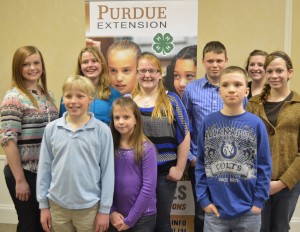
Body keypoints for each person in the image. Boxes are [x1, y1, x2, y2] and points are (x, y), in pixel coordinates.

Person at [196, 66, 272, 232]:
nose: (231, 89)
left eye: (237, 84)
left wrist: (258, 202)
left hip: (249, 212)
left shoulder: (256, 124)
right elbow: (201, 163)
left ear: (246, 91)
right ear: (219, 91)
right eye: (225, 85)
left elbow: (264, 166)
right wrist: (203, 200)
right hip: (215, 211)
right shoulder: (208, 122)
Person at [37, 75, 114, 232]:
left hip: (90, 208)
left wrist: (104, 210)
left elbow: (107, 172)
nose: (73, 101)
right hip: (57, 206)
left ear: (90, 98)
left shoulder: (102, 131)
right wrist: (43, 206)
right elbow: (44, 169)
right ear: (63, 98)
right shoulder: (51, 129)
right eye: (68, 96)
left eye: (80, 96)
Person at [0, 46, 58, 232]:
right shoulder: (13, 97)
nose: (32, 68)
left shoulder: (47, 95)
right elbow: (8, 140)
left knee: (44, 224)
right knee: (29, 224)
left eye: (36, 63)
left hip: (46, 172)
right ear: (18, 68)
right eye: (26, 64)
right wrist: (20, 180)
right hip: (25, 172)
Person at [132, 52, 190, 232]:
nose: (147, 75)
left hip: (164, 174)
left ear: (159, 74)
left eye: (152, 70)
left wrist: (180, 168)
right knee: (138, 222)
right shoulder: (128, 102)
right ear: (136, 73)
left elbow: (185, 135)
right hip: (136, 174)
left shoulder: (172, 100)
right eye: (142, 71)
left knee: (162, 223)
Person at [246, 51, 300, 232]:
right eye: (269, 71)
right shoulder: (253, 104)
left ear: (289, 72)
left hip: (288, 183)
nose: (274, 76)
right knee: (257, 228)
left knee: (280, 228)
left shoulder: (298, 105)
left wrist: (282, 182)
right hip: (256, 182)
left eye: (279, 71)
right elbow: (245, 144)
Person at [181, 41, 228, 231]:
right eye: (210, 61)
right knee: (202, 211)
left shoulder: (234, 88)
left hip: (229, 162)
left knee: (227, 209)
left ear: (226, 61)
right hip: (199, 162)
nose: (214, 65)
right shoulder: (192, 89)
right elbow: (184, 125)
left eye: (219, 60)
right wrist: (191, 157)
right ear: (203, 62)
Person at [109, 96, 157, 232]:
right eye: (117, 118)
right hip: (116, 215)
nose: (121, 122)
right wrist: (111, 211)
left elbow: (148, 187)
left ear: (136, 119)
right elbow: (103, 180)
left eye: (126, 117)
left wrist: (131, 220)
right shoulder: (110, 146)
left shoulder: (146, 148)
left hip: (143, 216)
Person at [59, 46, 121, 125]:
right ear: (80, 67)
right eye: (85, 62)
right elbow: (62, 123)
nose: (90, 65)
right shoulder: (69, 95)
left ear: (102, 64)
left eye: (94, 61)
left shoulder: (114, 94)